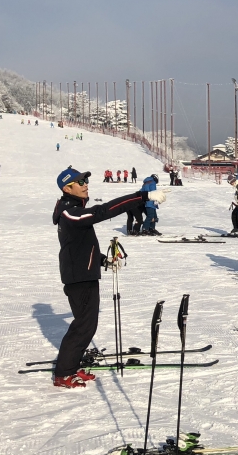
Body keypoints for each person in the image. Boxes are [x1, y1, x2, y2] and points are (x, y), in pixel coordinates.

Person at [52, 166, 165, 388]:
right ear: (67, 188)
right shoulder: (70, 212)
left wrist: (104, 260)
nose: (86, 185)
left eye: (86, 181)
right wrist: (142, 196)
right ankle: (64, 374)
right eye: (81, 182)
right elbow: (103, 211)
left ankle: (71, 368)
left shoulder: (73, 210)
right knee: (83, 326)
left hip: (83, 274)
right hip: (79, 278)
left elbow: (81, 247)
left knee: (87, 325)